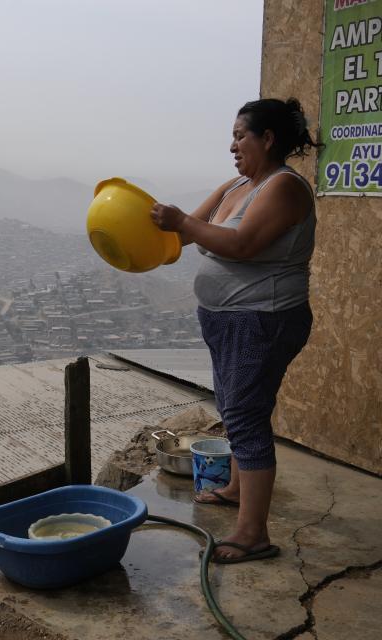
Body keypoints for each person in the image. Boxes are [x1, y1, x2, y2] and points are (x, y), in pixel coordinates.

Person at [149, 97, 320, 563]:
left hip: (262, 320)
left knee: (244, 415)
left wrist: (182, 219)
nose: (232, 145)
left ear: (267, 139)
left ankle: (253, 534)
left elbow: (241, 244)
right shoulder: (238, 186)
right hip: (229, 320)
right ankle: (237, 490)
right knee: (236, 405)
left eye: (240, 135)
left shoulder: (285, 188)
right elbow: (187, 233)